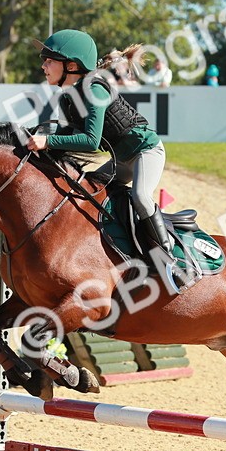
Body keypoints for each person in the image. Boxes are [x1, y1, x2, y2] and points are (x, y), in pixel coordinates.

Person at [27, 29, 175, 272]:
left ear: (71, 66)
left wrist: (47, 141)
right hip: (120, 160)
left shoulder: (95, 90)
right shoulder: (67, 98)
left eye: (49, 60)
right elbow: (65, 139)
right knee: (89, 191)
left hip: (145, 151)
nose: (43, 66)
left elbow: (90, 141)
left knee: (140, 196)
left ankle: (167, 259)